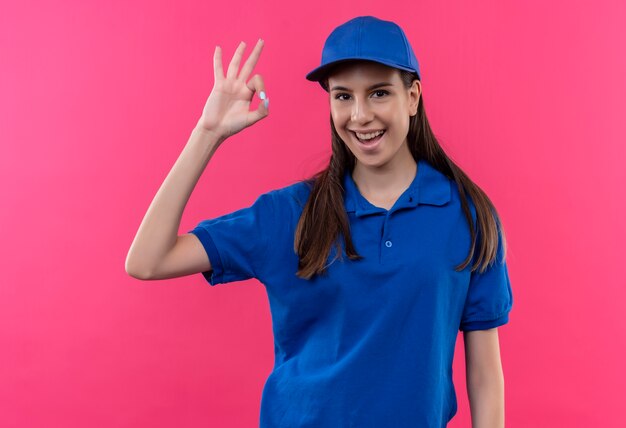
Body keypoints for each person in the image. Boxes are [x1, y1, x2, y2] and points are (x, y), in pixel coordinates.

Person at [126, 15, 513, 428]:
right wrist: (208, 133)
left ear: (413, 97)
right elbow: (148, 260)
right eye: (343, 97)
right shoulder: (291, 213)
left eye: (379, 93)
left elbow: (485, 376)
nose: (360, 115)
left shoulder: (467, 215)